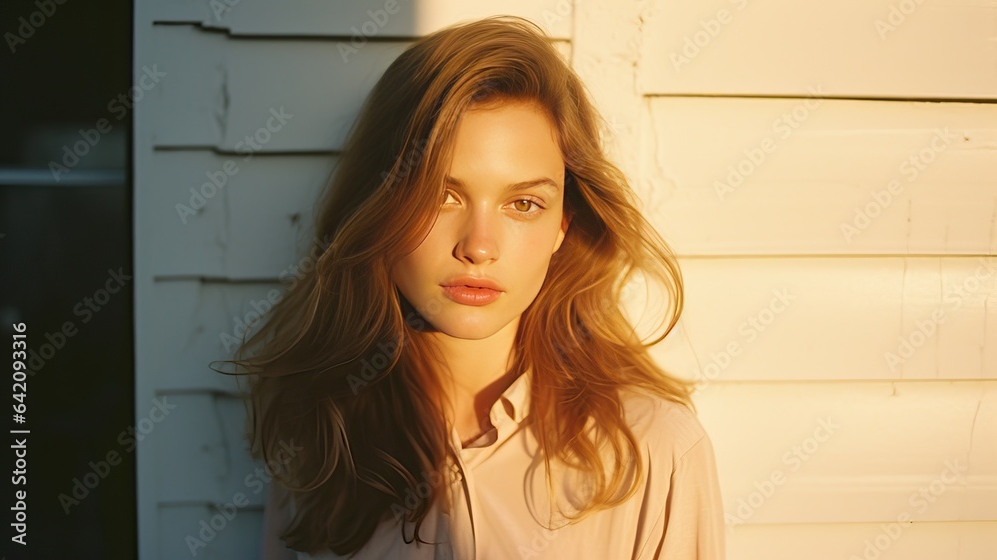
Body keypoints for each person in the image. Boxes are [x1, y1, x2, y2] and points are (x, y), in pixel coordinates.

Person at [223, 15, 725, 560]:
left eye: (523, 204)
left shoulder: (654, 452)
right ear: (380, 206)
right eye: (442, 195)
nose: (479, 246)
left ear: (563, 226)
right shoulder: (321, 433)